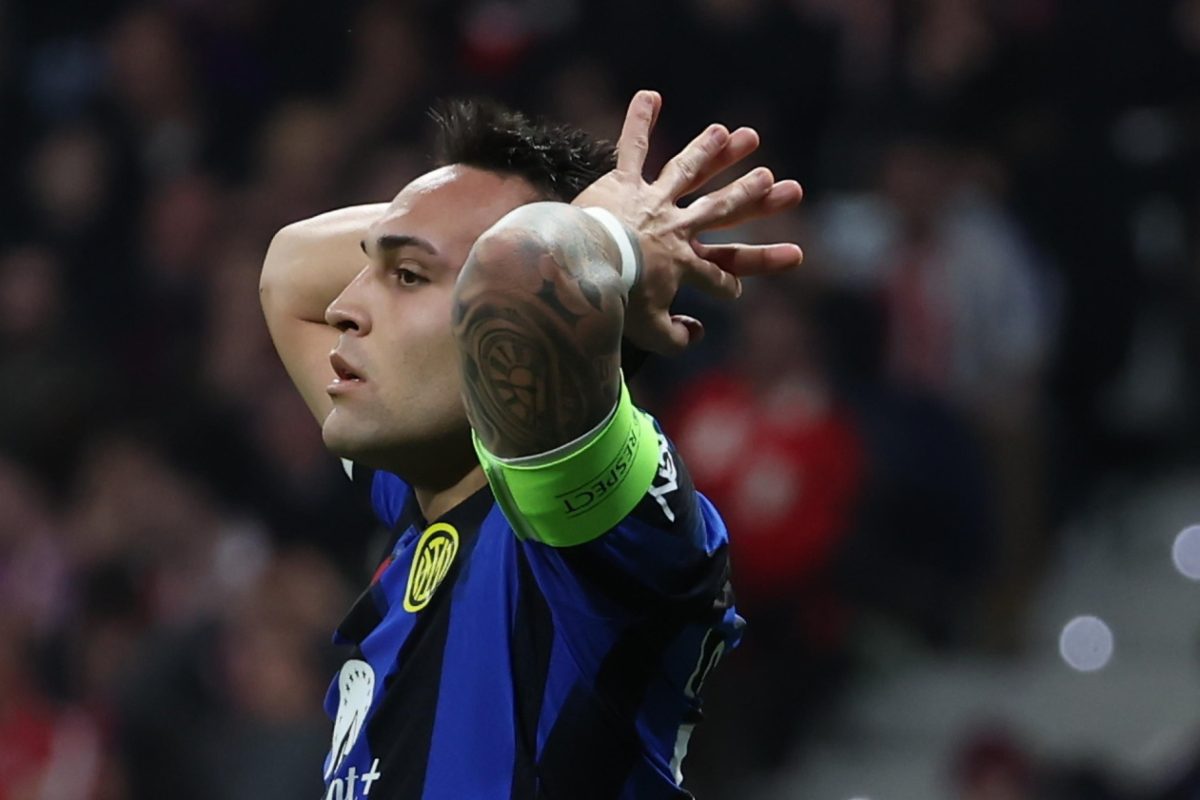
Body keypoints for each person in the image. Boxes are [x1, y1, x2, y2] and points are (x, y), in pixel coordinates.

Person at [259, 90, 803, 799]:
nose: (342, 307)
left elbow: (519, 276)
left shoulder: (588, 534)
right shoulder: (431, 488)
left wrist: (609, 240)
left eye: (409, 276)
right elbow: (289, 269)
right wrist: (443, 226)